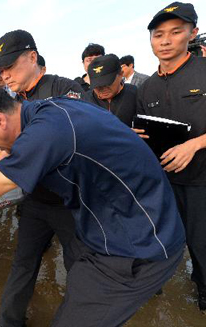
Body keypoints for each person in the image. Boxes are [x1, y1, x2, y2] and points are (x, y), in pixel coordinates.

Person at [0, 82, 185, 327]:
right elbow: (2, 157)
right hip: (108, 230)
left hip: (138, 246)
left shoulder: (45, 133)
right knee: (78, 294)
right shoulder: (44, 112)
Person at [0, 29, 82, 326]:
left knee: (78, 267)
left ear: (32, 57)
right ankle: (9, 322)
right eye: (1, 70)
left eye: (10, 67)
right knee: (23, 263)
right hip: (34, 200)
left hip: (71, 201)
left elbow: (76, 140)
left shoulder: (65, 89)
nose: (5, 75)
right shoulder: (10, 104)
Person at [135, 1, 206, 311]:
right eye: (158, 34)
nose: (165, 41)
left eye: (175, 32)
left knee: (202, 244)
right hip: (164, 179)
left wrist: (195, 144)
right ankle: (154, 285)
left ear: (193, 33)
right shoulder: (146, 87)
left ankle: (204, 289)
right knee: (160, 238)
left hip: (202, 179)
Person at [84, 54, 137, 126]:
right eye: (97, 85)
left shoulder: (136, 95)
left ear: (121, 74)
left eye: (107, 83)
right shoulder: (84, 101)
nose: (102, 89)